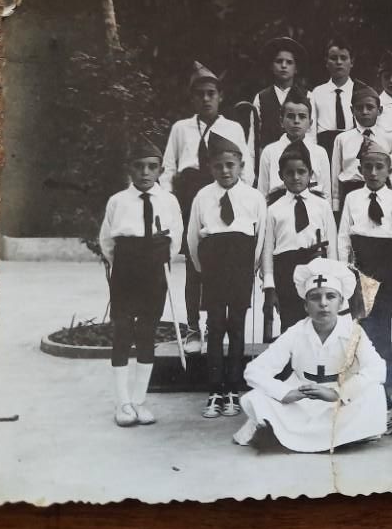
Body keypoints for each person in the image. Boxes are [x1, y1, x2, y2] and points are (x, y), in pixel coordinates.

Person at [234, 258, 387, 452]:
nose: (323, 304)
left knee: (375, 393)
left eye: (330, 296)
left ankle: (288, 435)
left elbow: (377, 369)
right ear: (306, 306)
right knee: (256, 398)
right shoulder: (295, 332)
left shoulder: (353, 332)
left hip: (338, 399)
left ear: (340, 303)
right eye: (315, 298)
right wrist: (286, 393)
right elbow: (254, 371)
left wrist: (337, 393)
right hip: (302, 399)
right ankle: (340, 437)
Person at [160, 61, 252, 353]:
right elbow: (168, 169)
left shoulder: (233, 128)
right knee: (193, 265)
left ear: (220, 96)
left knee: (221, 263)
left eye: (211, 93)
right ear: (192, 98)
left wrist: (243, 201)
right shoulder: (181, 128)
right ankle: (191, 328)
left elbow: (245, 169)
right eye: (199, 94)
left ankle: (217, 325)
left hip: (223, 196)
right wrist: (168, 205)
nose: (206, 98)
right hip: (189, 197)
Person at [99, 135, 183, 427]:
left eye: (152, 167)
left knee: (147, 331)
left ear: (161, 170)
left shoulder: (169, 201)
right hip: (126, 268)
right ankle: (122, 402)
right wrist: (122, 266)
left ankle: (139, 400)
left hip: (154, 269)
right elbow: (107, 242)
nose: (145, 173)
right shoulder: (118, 202)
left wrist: (159, 262)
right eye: (139, 167)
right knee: (123, 329)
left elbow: (176, 238)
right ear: (129, 169)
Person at [187, 130, 267, 419]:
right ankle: (214, 390)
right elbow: (193, 240)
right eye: (219, 165)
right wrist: (203, 270)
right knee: (216, 326)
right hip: (214, 266)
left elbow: (260, 239)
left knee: (237, 327)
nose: (224, 171)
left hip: (240, 266)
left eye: (230, 165)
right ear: (211, 167)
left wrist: (252, 267)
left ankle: (233, 387)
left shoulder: (254, 198)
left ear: (241, 166)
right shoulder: (202, 197)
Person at [338, 137, 392, 387]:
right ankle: (362, 378)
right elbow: (343, 236)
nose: (373, 172)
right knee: (362, 322)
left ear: (390, 170)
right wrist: (343, 269)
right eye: (367, 167)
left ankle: (383, 379)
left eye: (379, 166)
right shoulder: (352, 199)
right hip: (362, 265)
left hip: (387, 264)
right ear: (360, 170)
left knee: (384, 322)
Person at [262, 140, 338, 333]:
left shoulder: (322, 205)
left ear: (310, 174)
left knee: (318, 321)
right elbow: (268, 250)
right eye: (289, 172)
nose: (296, 177)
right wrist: (269, 283)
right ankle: (294, 363)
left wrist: (333, 274)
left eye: (301, 172)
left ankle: (318, 363)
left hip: (316, 268)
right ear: (281, 176)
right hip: (285, 269)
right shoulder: (273, 209)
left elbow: (332, 245)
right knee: (291, 323)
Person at [227, 35, 308, 186]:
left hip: (298, 166)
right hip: (269, 164)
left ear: (296, 68)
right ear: (272, 66)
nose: (284, 66)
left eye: (289, 62)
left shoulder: (306, 97)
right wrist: (252, 173)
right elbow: (253, 139)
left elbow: (311, 135)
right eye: (279, 61)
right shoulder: (261, 97)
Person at [330, 82, 392, 215]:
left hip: (380, 190)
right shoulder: (342, 139)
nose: (364, 111)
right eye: (359, 108)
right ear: (352, 110)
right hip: (350, 190)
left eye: (370, 107)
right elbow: (335, 173)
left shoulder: (389, 137)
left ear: (380, 110)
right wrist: (335, 206)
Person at [257, 87, 331, 202]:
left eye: (302, 116)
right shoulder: (270, 152)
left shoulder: (319, 153)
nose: (296, 121)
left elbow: (326, 195)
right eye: (291, 116)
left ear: (310, 123)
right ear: (281, 121)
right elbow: (262, 194)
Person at [311, 38, 356, 158]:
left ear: (351, 62)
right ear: (326, 62)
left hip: (353, 147)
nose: (339, 62)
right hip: (324, 149)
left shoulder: (359, 91)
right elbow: (312, 128)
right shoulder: (317, 93)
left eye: (343, 58)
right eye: (334, 58)